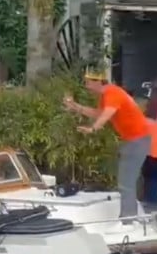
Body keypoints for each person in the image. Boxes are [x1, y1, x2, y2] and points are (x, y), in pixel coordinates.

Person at [64, 69, 152, 219]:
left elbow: (107, 114)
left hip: (138, 140)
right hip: (134, 140)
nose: (86, 86)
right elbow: (98, 113)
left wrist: (93, 128)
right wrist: (76, 107)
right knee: (126, 182)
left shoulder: (112, 93)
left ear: (98, 82)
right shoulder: (107, 95)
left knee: (126, 183)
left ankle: (129, 220)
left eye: (88, 83)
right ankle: (129, 218)